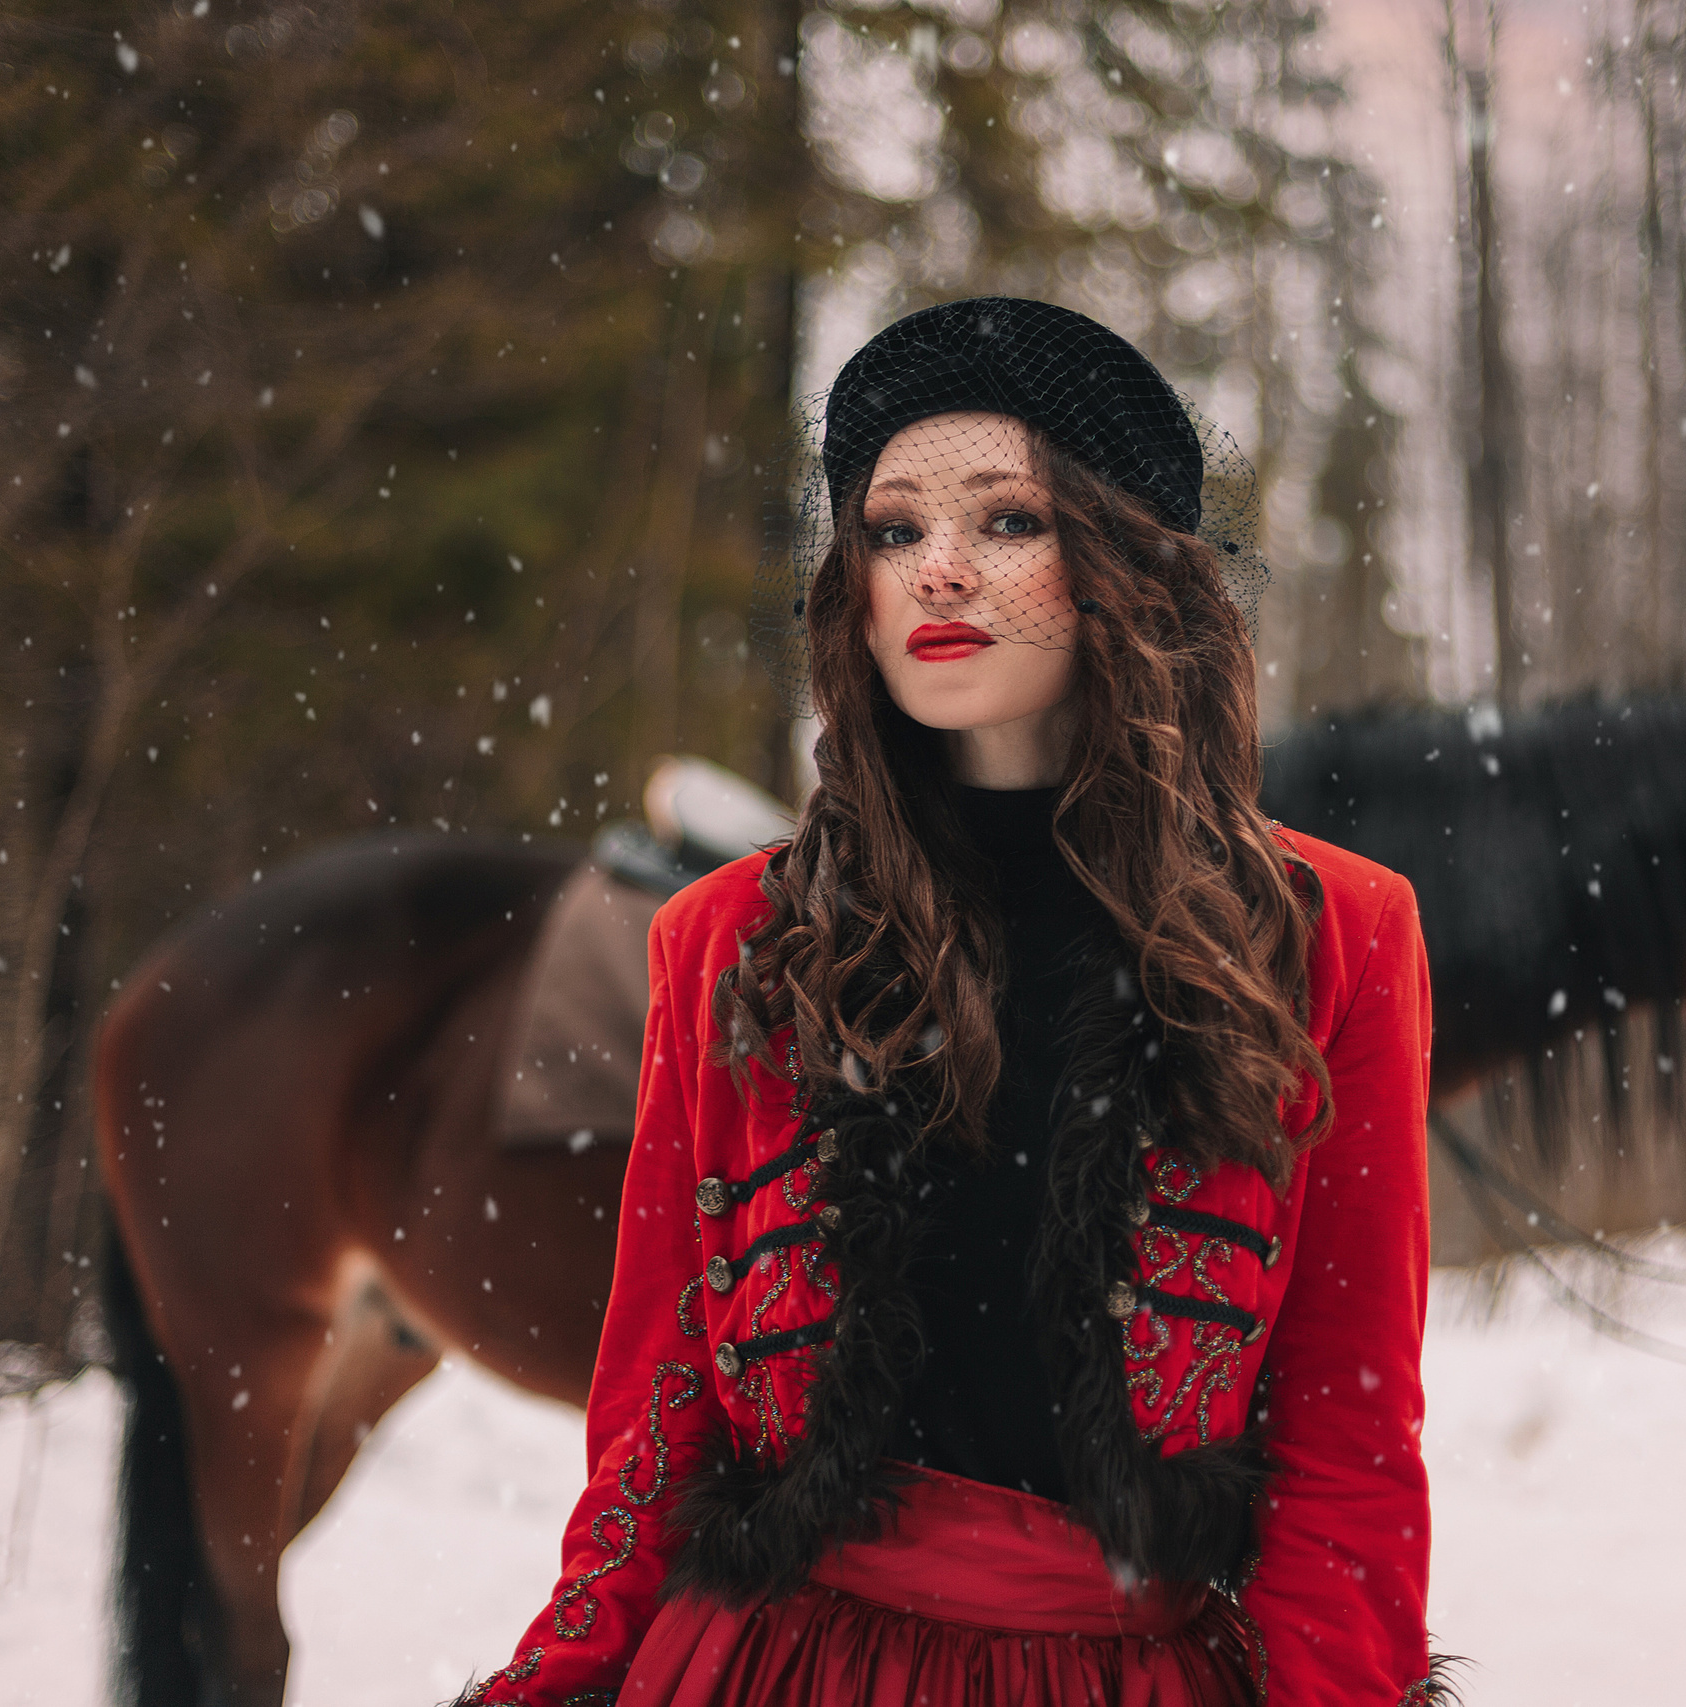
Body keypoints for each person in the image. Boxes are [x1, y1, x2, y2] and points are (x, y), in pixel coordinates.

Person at [462, 298, 1447, 1706]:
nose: (938, 573)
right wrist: (554, 1686)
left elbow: (1349, 1449)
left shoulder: (1330, 938)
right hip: (774, 1673)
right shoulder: (733, 941)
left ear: (1125, 563)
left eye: (1009, 523)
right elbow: (657, 1425)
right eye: (894, 528)